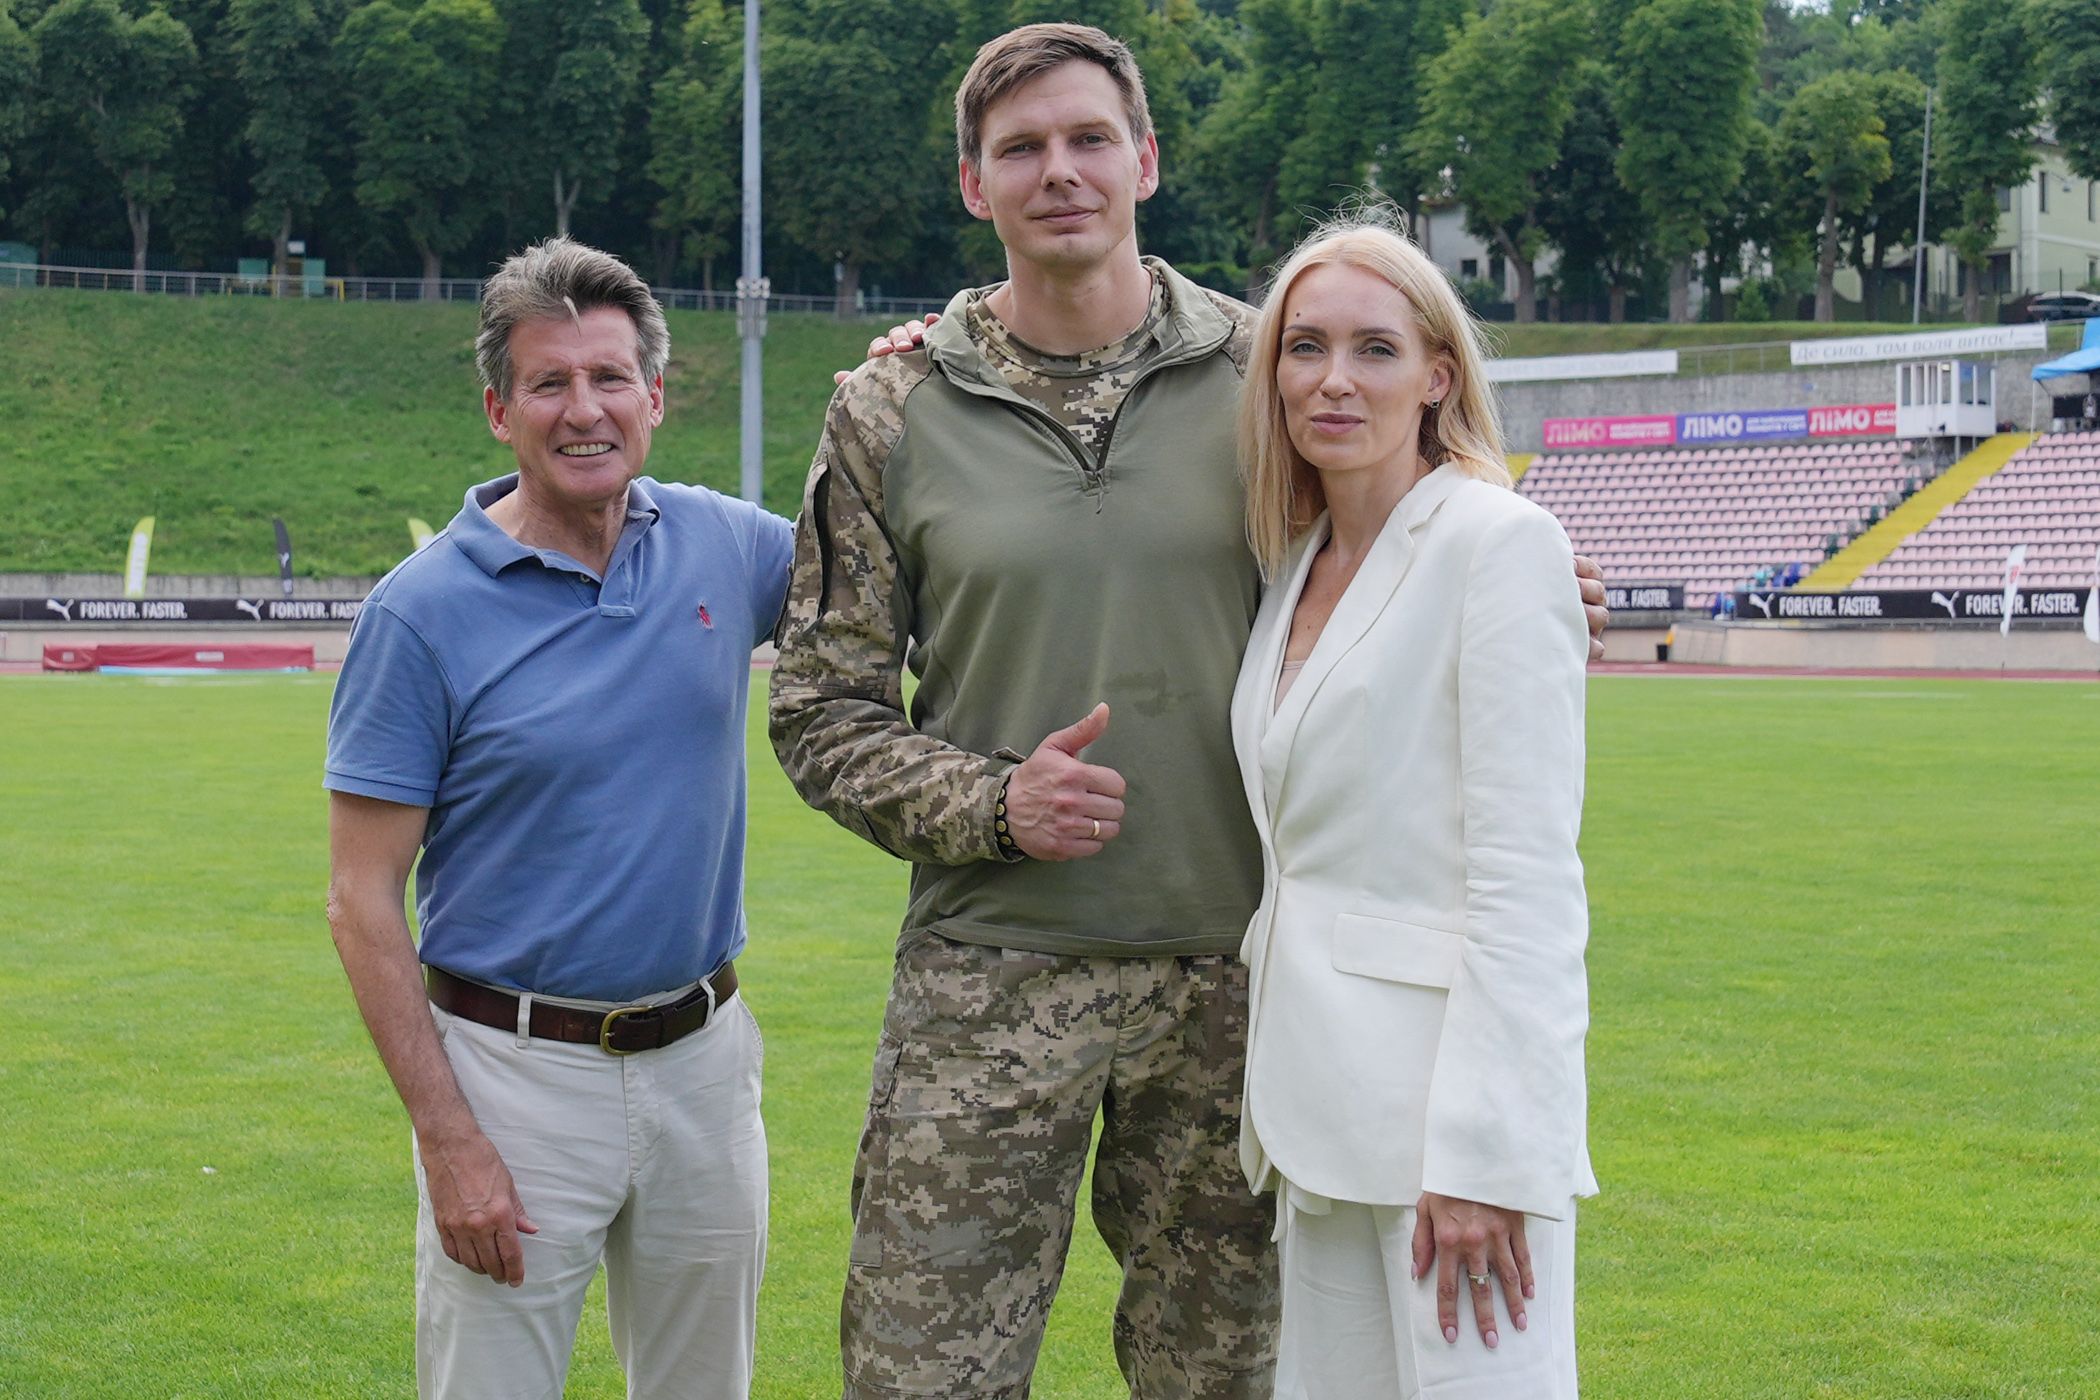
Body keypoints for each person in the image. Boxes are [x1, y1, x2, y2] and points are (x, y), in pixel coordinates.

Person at [770, 23, 1607, 1400]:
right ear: (973, 187)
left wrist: (1516, 551)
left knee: (1229, 1379)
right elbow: (817, 709)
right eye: (1020, 149)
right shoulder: (891, 404)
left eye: (1090, 139)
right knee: (919, 1377)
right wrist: (992, 804)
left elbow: (1401, 526)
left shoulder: (1265, 369)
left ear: (1146, 160)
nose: (1061, 173)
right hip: (989, 973)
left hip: (1241, 989)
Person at [325, 238, 789, 1400]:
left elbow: (901, 551)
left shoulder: (726, 544)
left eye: (610, 378)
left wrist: (909, 372)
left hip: (703, 1065)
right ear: (499, 408)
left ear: (655, 397)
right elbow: (362, 896)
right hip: (510, 1076)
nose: (585, 410)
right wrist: (448, 1135)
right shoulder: (420, 613)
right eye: (549, 383)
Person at [1230, 220, 1593, 1399]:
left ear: (1437, 374)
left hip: (1449, 1136)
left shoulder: (1498, 543)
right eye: (1306, 346)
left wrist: (1488, 1153)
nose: (1334, 378)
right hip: (1314, 1112)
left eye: (1375, 349)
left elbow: (1527, 878)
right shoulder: (1292, 567)